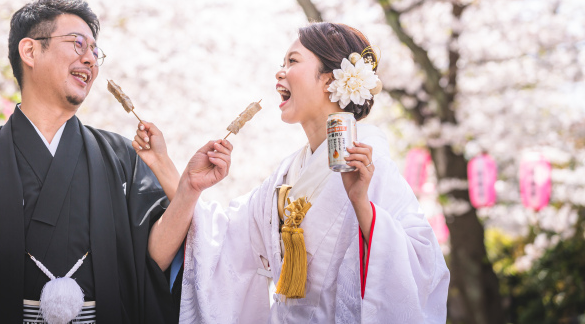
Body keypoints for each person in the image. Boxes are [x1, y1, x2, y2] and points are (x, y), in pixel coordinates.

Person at [0, 0, 232, 324]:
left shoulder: (120, 155)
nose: (91, 59)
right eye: (78, 43)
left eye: (95, 51)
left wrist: (189, 187)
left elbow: (152, 261)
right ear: (30, 51)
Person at [136, 22, 450, 323]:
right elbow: (220, 236)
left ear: (329, 79)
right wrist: (172, 171)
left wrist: (362, 205)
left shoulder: (368, 163)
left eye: (292, 60)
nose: (280, 71)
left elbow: (422, 265)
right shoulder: (287, 174)